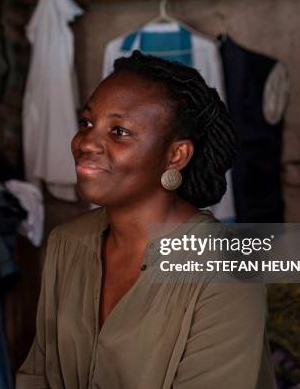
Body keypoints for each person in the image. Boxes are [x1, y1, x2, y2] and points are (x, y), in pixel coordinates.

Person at [16, 50, 275, 389]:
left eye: (119, 131)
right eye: (87, 123)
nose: (86, 143)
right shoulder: (67, 244)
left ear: (175, 155)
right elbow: (40, 375)